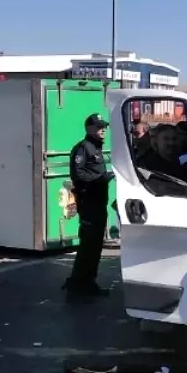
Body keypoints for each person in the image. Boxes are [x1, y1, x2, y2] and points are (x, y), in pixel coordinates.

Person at [63, 114, 114, 299]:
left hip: (98, 203)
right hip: (89, 204)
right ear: (89, 128)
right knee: (88, 247)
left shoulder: (96, 148)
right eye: (99, 126)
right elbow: (78, 174)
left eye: (104, 126)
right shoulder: (83, 148)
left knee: (95, 247)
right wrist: (100, 179)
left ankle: (88, 284)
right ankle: (77, 287)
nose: (103, 130)